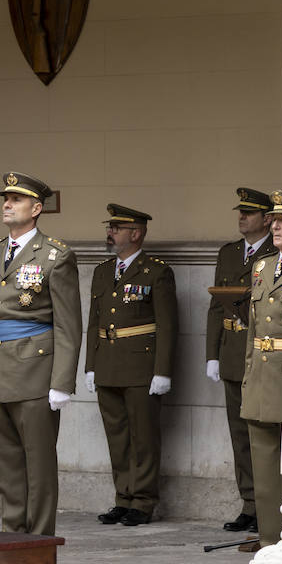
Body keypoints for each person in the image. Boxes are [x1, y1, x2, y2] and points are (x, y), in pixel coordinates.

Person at [0, 173, 81, 536]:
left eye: (16, 199)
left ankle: (39, 540)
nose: (6, 204)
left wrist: (62, 382)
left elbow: (68, 324)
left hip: (35, 371)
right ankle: (12, 536)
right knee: (6, 465)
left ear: (35, 209)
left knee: (39, 464)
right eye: (6, 198)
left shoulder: (55, 255)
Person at [85, 203, 178, 527]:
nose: (109, 233)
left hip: (141, 367)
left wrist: (162, 371)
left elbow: (167, 325)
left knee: (143, 437)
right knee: (117, 437)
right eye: (109, 227)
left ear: (135, 234)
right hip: (108, 364)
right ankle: (123, 498)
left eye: (116, 228)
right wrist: (90, 365)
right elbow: (94, 322)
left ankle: (143, 500)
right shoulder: (102, 271)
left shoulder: (156, 271)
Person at [206, 188, 276, 534]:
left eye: (249, 212)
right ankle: (249, 503)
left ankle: (271, 504)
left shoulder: (276, 252)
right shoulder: (229, 253)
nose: (242, 217)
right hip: (233, 351)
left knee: (265, 434)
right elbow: (215, 307)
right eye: (240, 212)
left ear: (267, 219)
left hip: (264, 350)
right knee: (239, 434)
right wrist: (212, 354)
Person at [240, 191, 282, 551]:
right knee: (264, 463)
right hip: (261, 374)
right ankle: (271, 537)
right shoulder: (262, 266)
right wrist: (248, 375)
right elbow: (253, 331)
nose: (276, 226)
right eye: (274, 220)